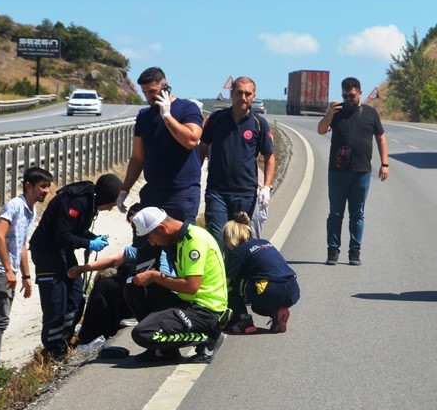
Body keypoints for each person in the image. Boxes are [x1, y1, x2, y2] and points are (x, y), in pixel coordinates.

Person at [29, 174, 120, 358]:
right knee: (56, 302)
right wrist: (89, 244)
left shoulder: (90, 202)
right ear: (105, 196)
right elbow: (62, 234)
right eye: (111, 204)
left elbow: (77, 230)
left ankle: (64, 342)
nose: (110, 209)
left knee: (76, 297)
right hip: (47, 253)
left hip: (63, 252)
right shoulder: (76, 201)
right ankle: (52, 350)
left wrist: (93, 238)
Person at [128, 207, 230, 363]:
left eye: (150, 238)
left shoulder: (194, 241)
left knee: (143, 334)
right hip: (188, 301)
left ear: (162, 229)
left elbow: (191, 287)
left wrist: (155, 276)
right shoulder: (179, 239)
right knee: (134, 289)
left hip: (205, 309)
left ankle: (209, 337)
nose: (153, 244)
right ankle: (163, 351)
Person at [0, 166, 53, 384]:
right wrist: (7, 270)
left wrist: (26, 277)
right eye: (42, 186)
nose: (46, 191)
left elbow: (21, 244)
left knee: (1, 319)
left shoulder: (31, 210)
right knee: (0, 320)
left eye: (48, 186)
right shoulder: (14, 205)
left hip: (8, 271)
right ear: (28, 186)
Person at [67, 203, 174, 347]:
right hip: (141, 281)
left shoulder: (163, 248)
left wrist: (152, 275)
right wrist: (83, 268)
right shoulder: (143, 246)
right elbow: (116, 258)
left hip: (159, 292)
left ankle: (130, 319)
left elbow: (168, 278)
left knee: (127, 285)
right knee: (104, 285)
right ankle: (90, 336)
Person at [316, 76, 389, 266]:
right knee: (335, 213)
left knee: (357, 214)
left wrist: (385, 164)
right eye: (345, 96)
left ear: (360, 93)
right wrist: (330, 113)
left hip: (362, 172)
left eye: (352, 95)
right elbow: (321, 130)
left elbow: (381, 138)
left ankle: (355, 252)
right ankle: (332, 251)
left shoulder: (371, 113)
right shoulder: (337, 112)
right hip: (337, 172)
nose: (348, 99)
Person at [117, 66, 204, 221]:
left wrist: (167, 115)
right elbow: (138, 157)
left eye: (152, 91)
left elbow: (191, 140)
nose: (149, 97)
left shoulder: (188, 108)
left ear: (165, 86)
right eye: (144, 93)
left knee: (179, 236)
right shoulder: (144, 116)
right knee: (144, 236)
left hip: (182, 191)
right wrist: (125, 189)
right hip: (152, 192)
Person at [197, 76, 275, 246]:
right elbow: (202, 147)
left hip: (245, 194)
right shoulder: (216, 119)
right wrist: (195, 174)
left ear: (254, 96)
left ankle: (236, 265)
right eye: (239, 93)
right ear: (231, 94)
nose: (243, 97)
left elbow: (269, 156)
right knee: (218, 238)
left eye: (248, 94)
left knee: (240, 243)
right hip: (217, 192)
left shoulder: (259, 124)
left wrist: (266, 187)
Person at [221, 212, 300, 334]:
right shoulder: (264, 242)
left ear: (229, 237)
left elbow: (225, 282)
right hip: (292, 289)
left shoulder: (238, 252)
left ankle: (244, 321)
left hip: (272, 290)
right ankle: (277, 312)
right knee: (257, 307)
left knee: (231, 286)